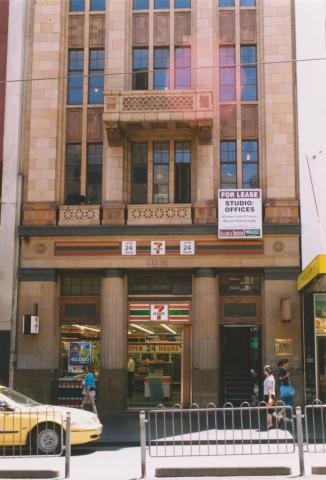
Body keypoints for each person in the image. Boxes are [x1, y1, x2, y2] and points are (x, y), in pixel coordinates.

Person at [263, 365, 276, 430]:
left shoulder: (269, 379)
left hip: (269, 396)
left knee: (269, 411)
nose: (263, 372)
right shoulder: (270, 377)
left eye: (264, 370)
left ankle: (270, 424)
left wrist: (270, 398)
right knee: (270, 410)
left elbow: (269, 389)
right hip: (269, 395)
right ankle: (279, 417)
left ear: (267, 371)